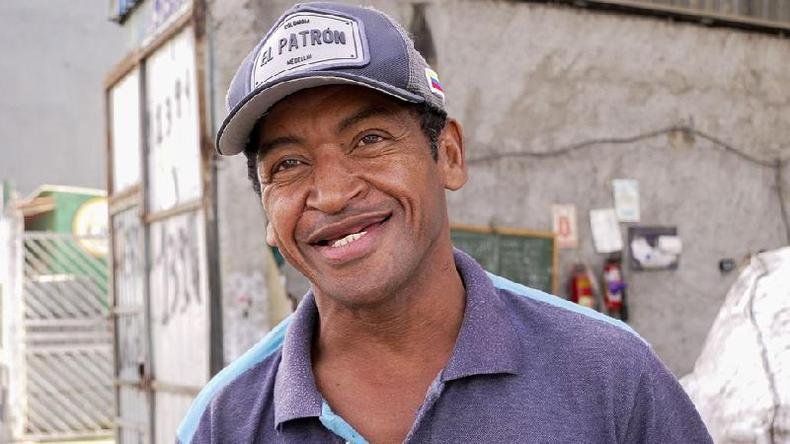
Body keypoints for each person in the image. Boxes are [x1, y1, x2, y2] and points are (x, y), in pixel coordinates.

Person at [177, 2, 712, 443]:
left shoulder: (609, 376)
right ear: (269, 214)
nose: (334, 194)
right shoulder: (224, 420)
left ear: (449, 155)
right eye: (288, 165)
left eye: (369, 140)